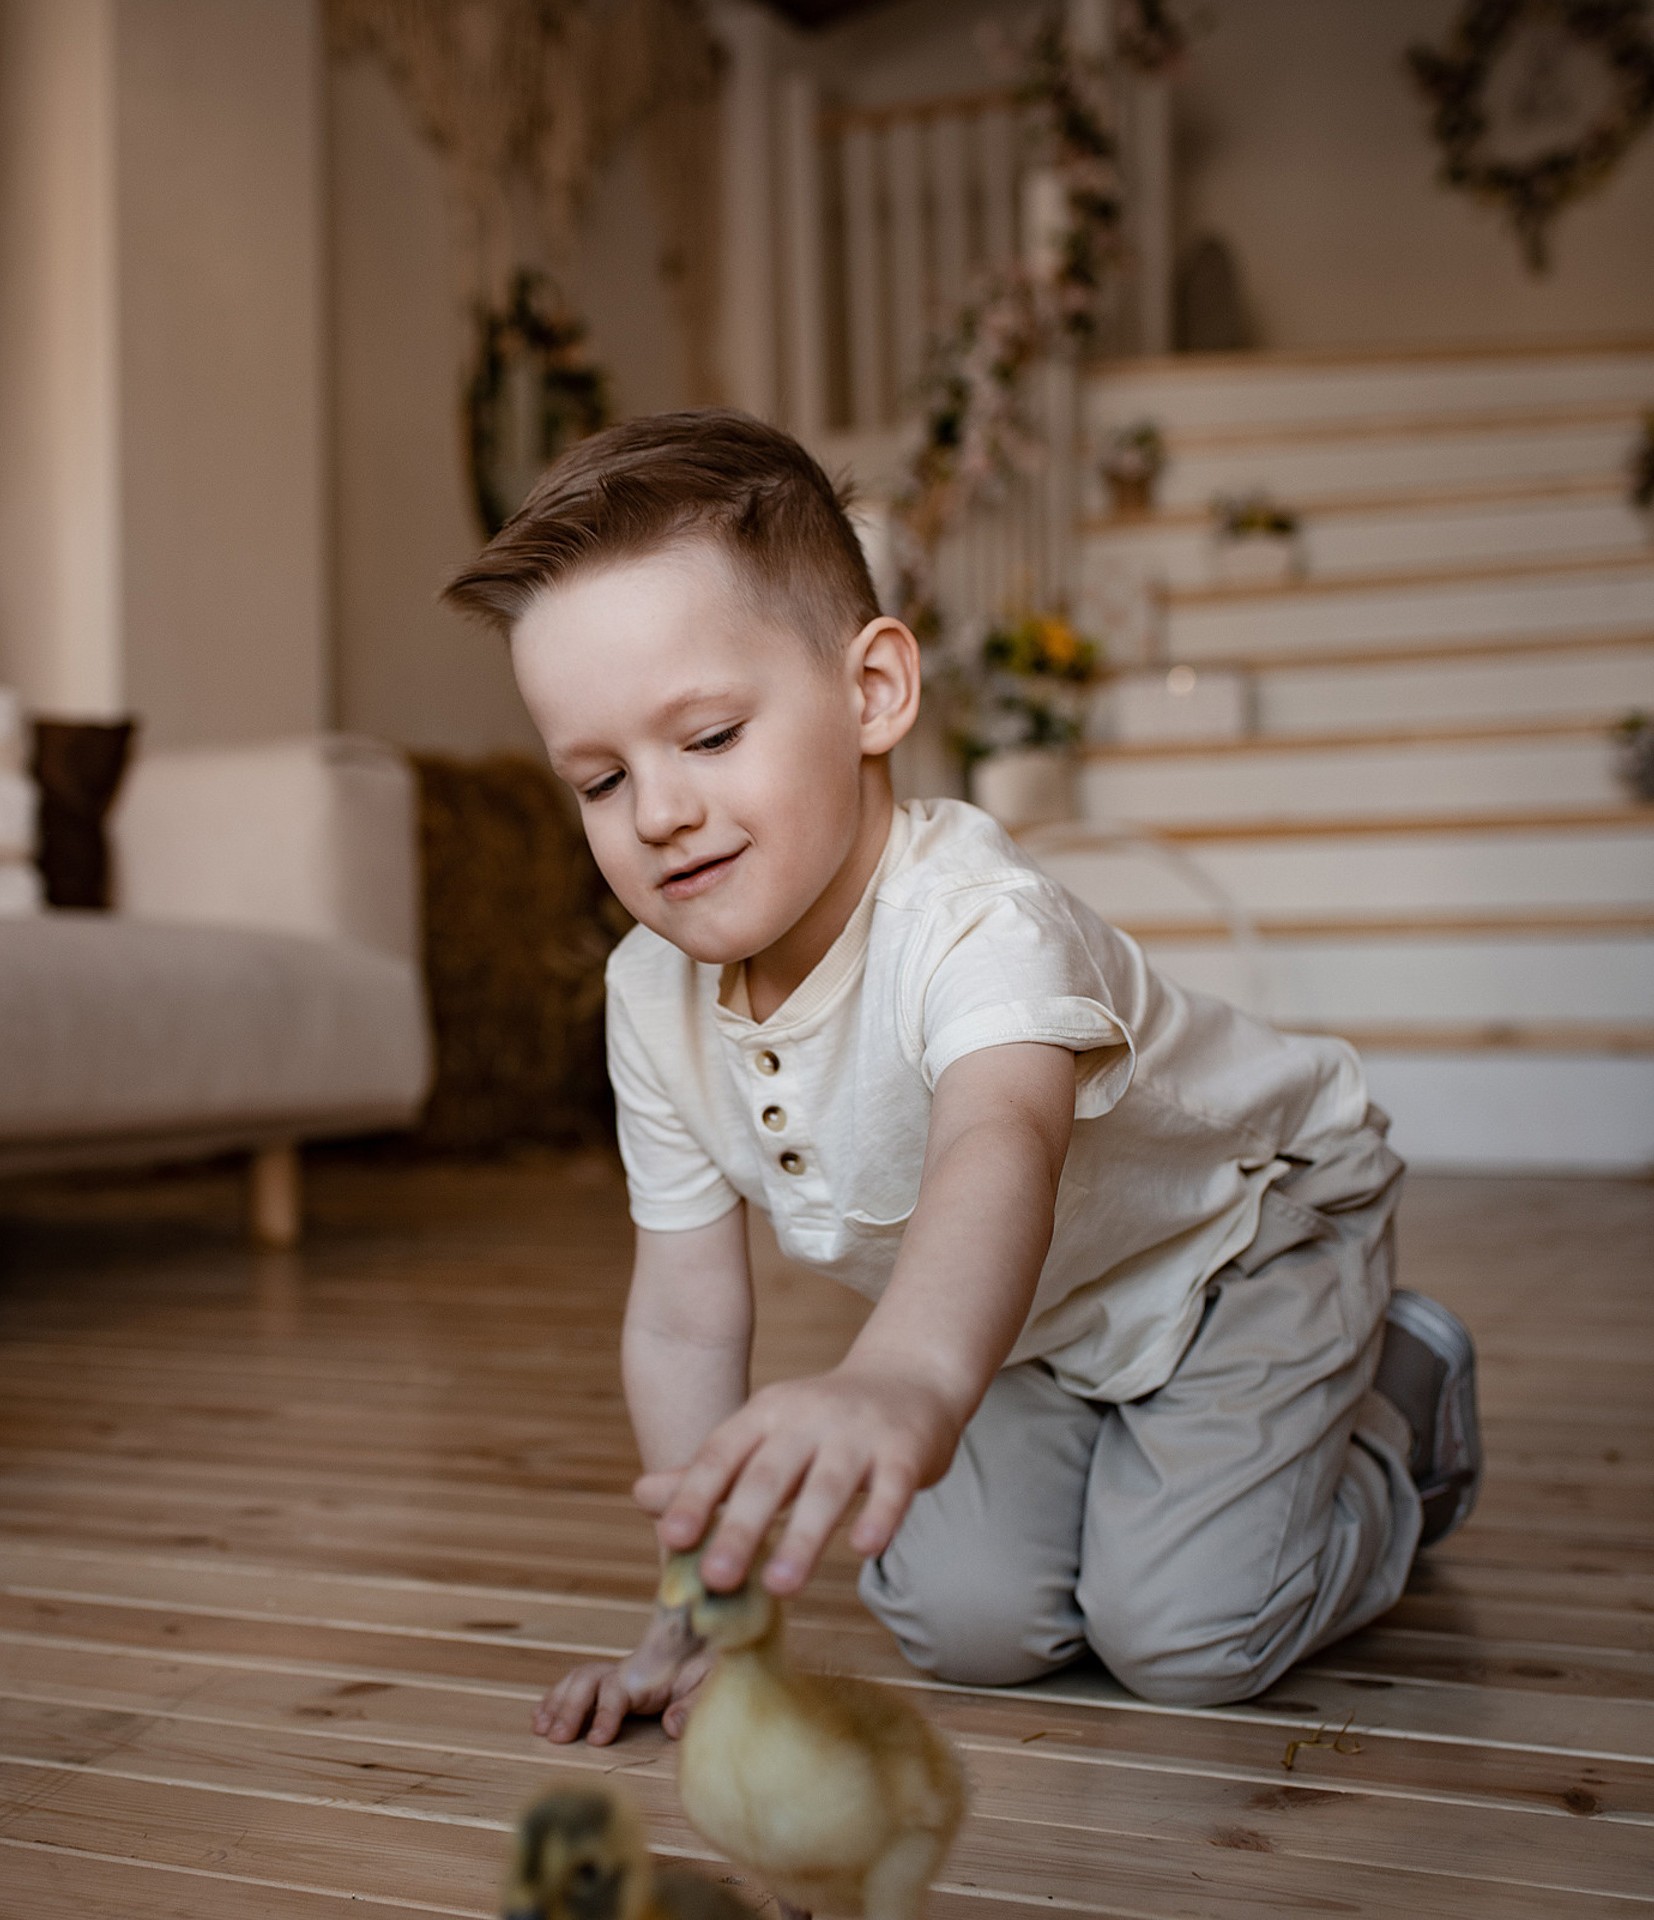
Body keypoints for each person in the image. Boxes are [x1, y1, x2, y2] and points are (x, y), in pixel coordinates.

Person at [442, 409, 1481, 1746]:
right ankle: (1144, 1459)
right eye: (598, 777)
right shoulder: (651, 995)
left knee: (1187, 1635)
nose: (656, 811)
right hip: (1039, 1316)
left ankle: (1397, 1417)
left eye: (707, 737)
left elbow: (998, 1147)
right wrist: (703, 1609)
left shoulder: (977, 919)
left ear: (873, 691)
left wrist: (913, 1378)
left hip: (1244, 1241)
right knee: (968, 1625)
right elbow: (687, 1316)